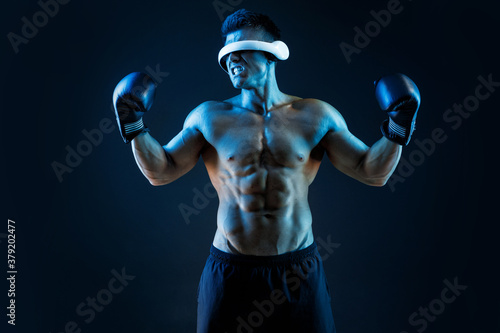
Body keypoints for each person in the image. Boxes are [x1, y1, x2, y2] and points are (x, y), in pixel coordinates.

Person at [112, 8, 420, 333]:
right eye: (226, 54)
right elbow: (161, 171)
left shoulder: (315, 116)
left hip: (298, 271)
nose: (231, 60)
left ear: (272, 53)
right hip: (230, 271)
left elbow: (371, 171)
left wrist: (397, 127)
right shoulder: (209, 117)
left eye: (240, 51)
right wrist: (134, 125)